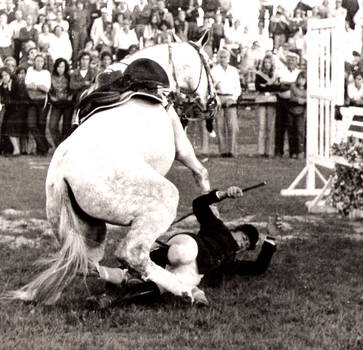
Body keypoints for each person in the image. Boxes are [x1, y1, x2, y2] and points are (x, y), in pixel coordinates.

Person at [106, 186, 277, 306]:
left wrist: (272, 236)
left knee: (171, 285)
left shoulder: (229, 261)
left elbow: (258, 267)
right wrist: (223, 194)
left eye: (246, 245)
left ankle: (116, 298)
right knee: (184, 253)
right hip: (187, 245)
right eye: (243, 237)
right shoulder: (218, 227)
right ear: (234, 230)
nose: (242, 243)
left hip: (191, 270)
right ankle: (129, 271)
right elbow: (199, 205)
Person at [211, 48, 241, 158]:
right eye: (221, 57)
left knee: (232, 126)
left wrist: (233, 98)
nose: (223, 59)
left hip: (230, 98)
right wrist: (216, 98)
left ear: (228, 59)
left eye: (225, 57)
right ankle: (222, 151)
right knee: (219, 126)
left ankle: (232, 150)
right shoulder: (214, 70)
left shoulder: (233, 70)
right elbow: (211, 88)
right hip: (219, 98)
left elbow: (237, 87)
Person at [25, 54, 51, 156]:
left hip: (42, 101)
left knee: (41, 124)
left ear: (43, 63)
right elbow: (27, 84)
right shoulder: (30, 70)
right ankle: (45, 144)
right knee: (31, 124)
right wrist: (39, 86)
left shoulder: (46, 73)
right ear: (34, 62)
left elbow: (46, 88)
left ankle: (41, 150)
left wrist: (36, 86)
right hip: (32, 100)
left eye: (41, 61)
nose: (39, 63)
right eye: (37, 61)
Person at [255, 54, 280, 158]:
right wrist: (269, 87)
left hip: (272, 102)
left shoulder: (275, 74)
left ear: (272, 64)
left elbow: (277, 87)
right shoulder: (259, 74)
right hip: (261, 101)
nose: (266, 64)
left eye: (268, 62)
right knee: (261, 126)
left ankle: (269, 151)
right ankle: (260, 151)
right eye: (265, 62)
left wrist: (266, 86)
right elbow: (258, 87)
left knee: (270, 126)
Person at [48, 58, 74, 148]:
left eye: (62, 67)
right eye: (58, 67)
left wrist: (70, 97)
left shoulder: (69, 76)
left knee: (66, 127)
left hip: (67, 104)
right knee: (52, 125)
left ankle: (66, 147)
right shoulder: (51, 77)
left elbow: (73, 88)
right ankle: (59, 145)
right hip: (56, 104)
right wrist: (52, 99)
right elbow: (49, 90)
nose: (60, 69)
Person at [287, 71, 307, 159]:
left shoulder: (307, 89)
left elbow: (308, 98)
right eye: (300, 78)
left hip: (301, 111)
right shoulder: (293, 87)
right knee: (291, 131)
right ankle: (292, 152)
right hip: (292, 110)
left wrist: (304, 100)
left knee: (300, 131)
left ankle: (300, 151)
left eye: (304, 79)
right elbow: (291, 97)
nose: (301, 81)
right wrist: (298, 100)